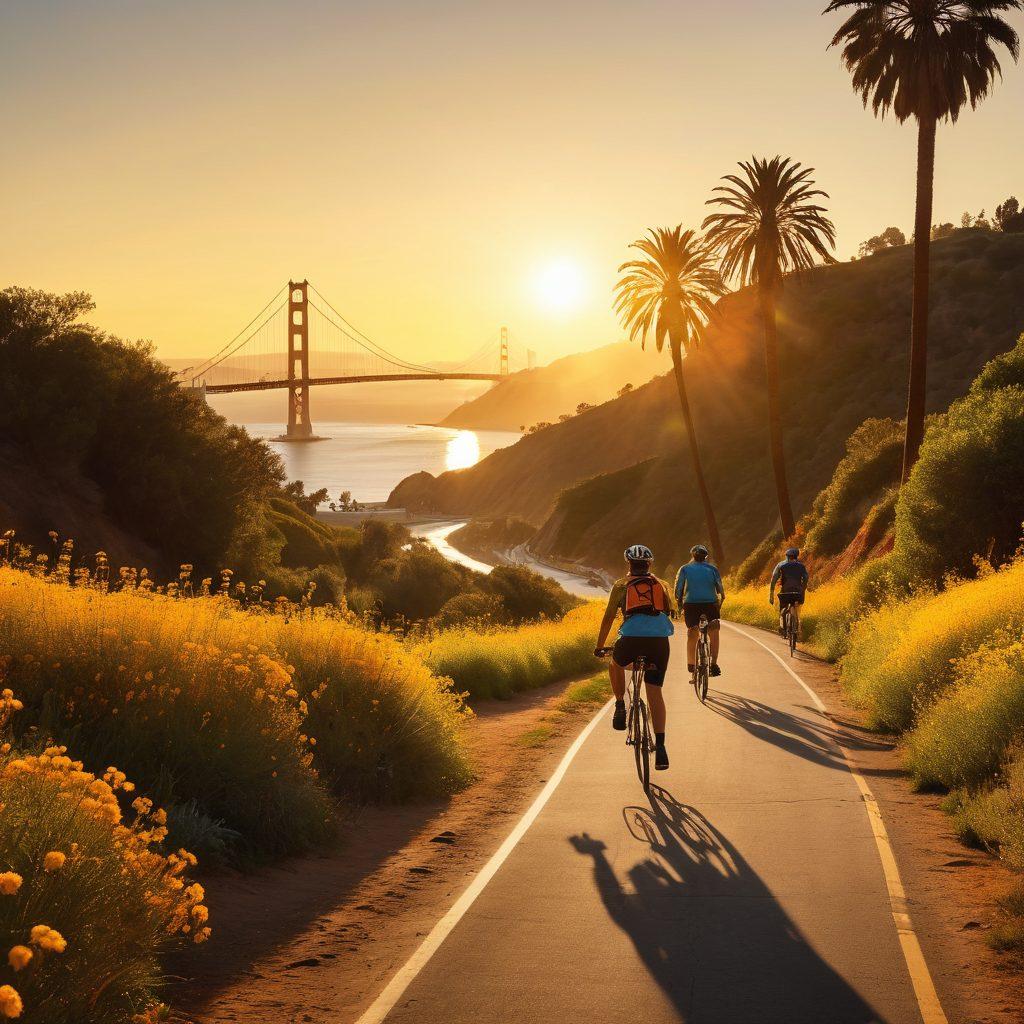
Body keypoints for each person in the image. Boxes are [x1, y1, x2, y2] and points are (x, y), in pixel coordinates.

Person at [594, 544, 676, 770]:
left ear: (628, 564)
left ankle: (620, 705)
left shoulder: (621, 585)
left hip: (630, 640)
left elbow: (608, 617)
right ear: (649, 564)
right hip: (659, 643)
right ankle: (661, 748)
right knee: (655, 692)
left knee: (616, 663)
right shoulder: (662, 585)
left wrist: (600, 646)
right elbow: (672, 611)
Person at [674, 544, 725, 679]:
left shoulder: (685, 568)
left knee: (692, 631)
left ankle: (691, 665)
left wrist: (679, 603)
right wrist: (719, 603)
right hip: (710, 604)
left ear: (692, 556)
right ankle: (714, 664)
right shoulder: (712, 569)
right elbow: (720, 589)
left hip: (691, 604)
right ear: (705, 557)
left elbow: (679, 588)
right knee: (714, 630)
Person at [770, 547, 809, 637]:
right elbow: (806, 578)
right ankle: (797, 628)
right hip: (798, 593)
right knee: (797, 608)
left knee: (782, 608)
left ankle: (783, 629)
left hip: (785, 593)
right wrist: (803, 588)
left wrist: (771, 595)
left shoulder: (781, 565)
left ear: (786, 556)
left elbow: (773, 580)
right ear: (797, 556)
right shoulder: (801, 566)